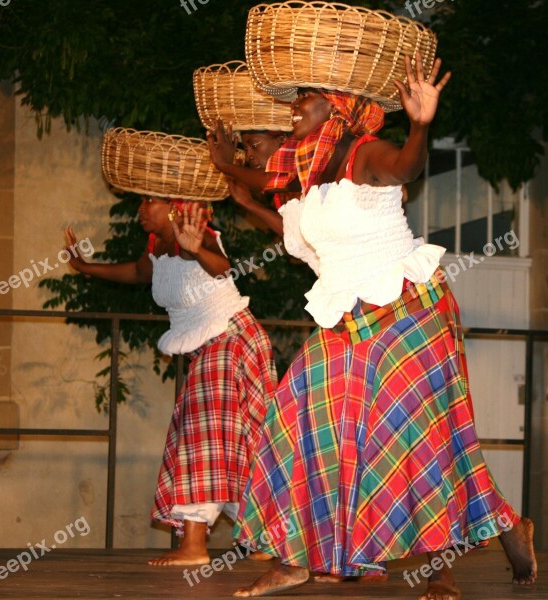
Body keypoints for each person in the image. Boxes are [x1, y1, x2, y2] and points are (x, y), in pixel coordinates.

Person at [207, 52, 537, 600]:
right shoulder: (308, 168)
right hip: (349, 314)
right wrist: (226, 167)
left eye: (306, 97)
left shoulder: (364, 154)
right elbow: (265, 177)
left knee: (417, 437)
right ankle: (294, 558)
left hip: (408, 310)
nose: (295, 106)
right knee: (294, 416)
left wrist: (422, 124)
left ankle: (443, 567)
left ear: (336, 108)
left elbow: (407, 167)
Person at [64, 196, 277, 566]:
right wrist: (85, 268)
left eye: (150, 202)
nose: (141, 209)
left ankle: (195, 545)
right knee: (239, 439)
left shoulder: (200, 235)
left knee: (203, 437)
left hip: (230, 339)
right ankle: (265, 534)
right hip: (213, 345)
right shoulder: (156, 246)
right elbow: (137, 273)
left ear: (176, 205)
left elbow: (222, 267)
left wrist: (196, 250)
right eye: (142, 201)